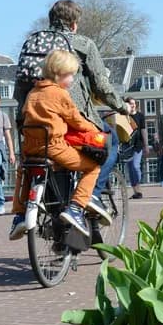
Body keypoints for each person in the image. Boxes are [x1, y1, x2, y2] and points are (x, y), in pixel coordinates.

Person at [13, 0, 129, 231]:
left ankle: (25, 213)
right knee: (111, 141)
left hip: (32, 125)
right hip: (73, 118)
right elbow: (101, 86)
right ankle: (90, 198)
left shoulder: (35, 43)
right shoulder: (83, 44)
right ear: (74, 24)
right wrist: (122, 107)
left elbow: (19, 91)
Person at [9, 50, 102, 239]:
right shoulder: (59, 94)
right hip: (54, 146)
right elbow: (76, 121)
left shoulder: (33, 92)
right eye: (70, 75)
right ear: (59, 74)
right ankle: (75, 209)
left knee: (24, 173)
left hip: (30, 148)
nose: (72, 80)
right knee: (92, 167)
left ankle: (19, 215)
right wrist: (95, 130)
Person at [125, 97, 148, 199]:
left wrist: (146, 145)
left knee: (135, 166)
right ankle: (136, 192)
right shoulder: (124, 116)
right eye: (130, 103)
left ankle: (138, 187)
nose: (132, 105)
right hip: (127, 145)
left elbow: (143, 130)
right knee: (130, 169)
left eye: (133, 103)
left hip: (138, 144)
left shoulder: (140, 116)